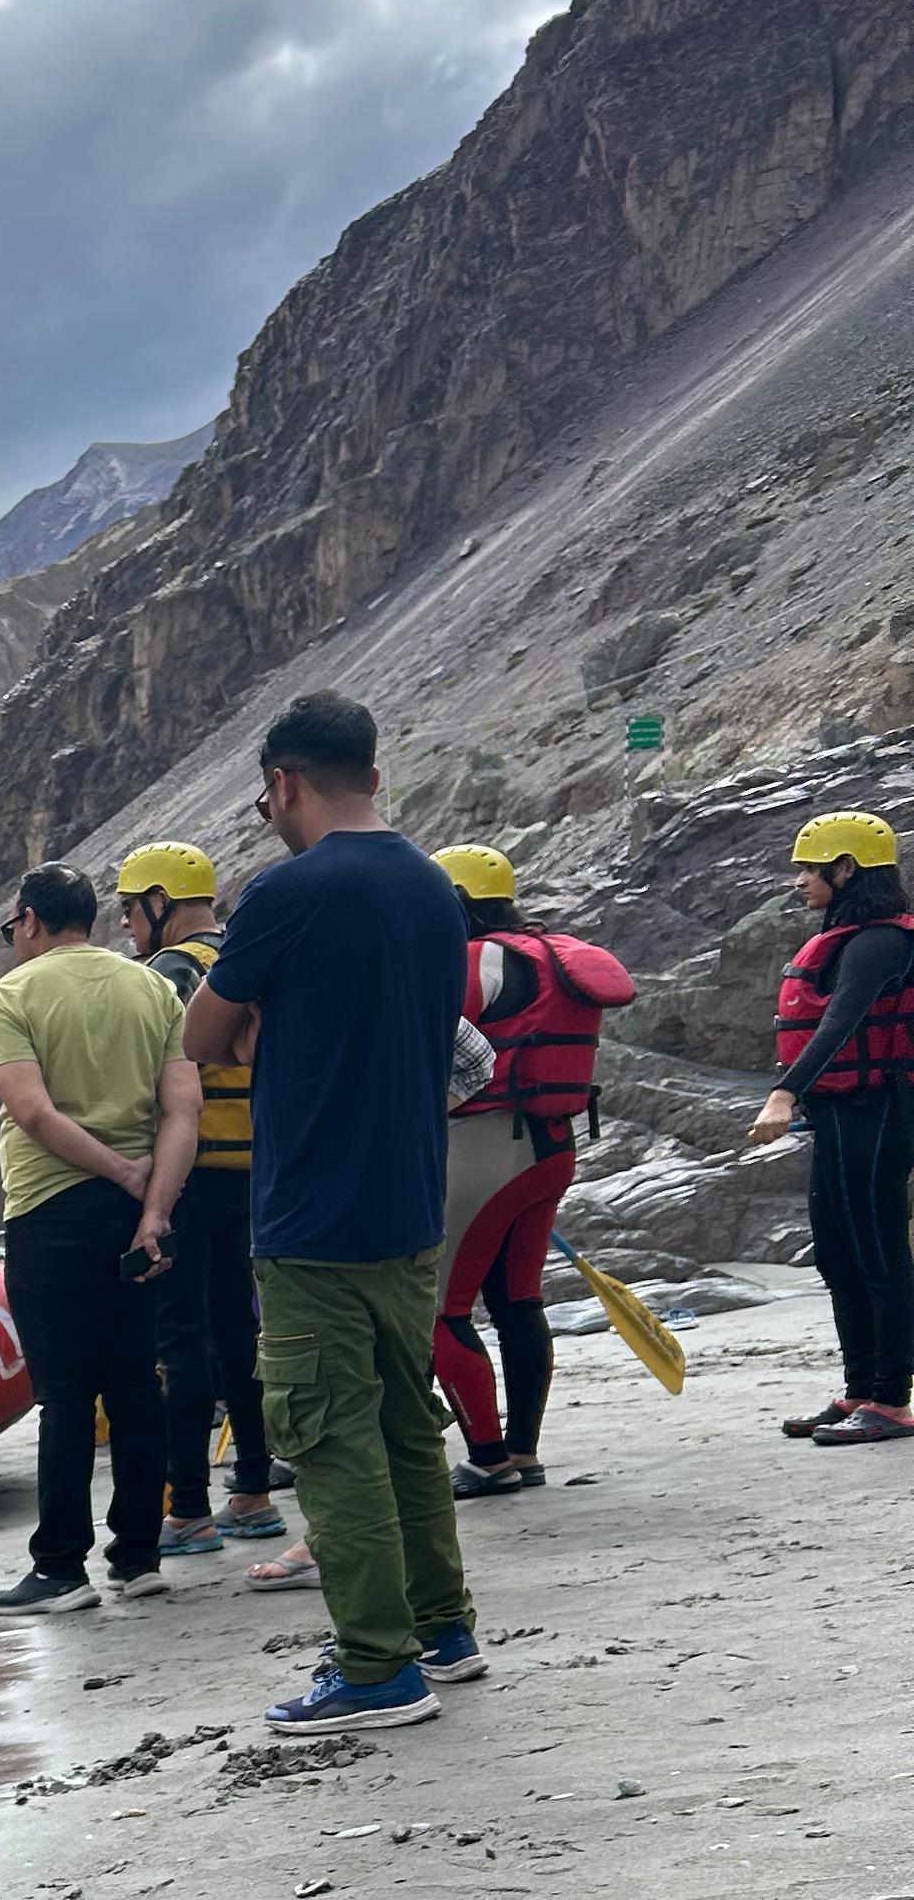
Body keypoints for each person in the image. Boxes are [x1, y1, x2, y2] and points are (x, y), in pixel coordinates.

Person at [181, 692, 480, 1731]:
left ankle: (373, 1668)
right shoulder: (435, 888)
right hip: (409, 1201)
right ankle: (443, 1628)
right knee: (404, 1423)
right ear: (377, 776)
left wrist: (257, 1014)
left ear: (283, 785)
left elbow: (198, 1036)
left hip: (311, 1209)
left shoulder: (283, 894)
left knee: (327, 1435)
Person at [0, 865, 199, 1614]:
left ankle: (60, 1567)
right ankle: (138, 1556)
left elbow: (33, 1114)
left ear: (30, 920)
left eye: (13, 928)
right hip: (142, 1216)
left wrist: (120, 1174)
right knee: (137, 1380)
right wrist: (154, 1204)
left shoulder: (13, 995)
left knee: (66, 1391)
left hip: (50, 1210)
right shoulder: (152, 988)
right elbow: (183, 1113)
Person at [429, 846, 636, 1496]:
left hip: (486, 1148)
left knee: (437, 1310)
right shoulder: (541, 954)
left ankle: (488, 1459)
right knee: (517, 1299)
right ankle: (522, 1451)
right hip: (551, 1145)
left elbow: (431, 1048)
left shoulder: (471, 959)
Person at [114, 842, 283, 1554]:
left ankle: (187, 1507)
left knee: (181, 1338)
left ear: (160, 901)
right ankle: (252, 1492)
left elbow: (148, 1082)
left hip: (190, 1175)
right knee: (239, 1332)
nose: (127, 926)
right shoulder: (246, 959)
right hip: (258, 1172)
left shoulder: (168, 973)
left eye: (129, 910)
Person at [748, 810, 914, 1445]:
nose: (800, 880)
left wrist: (785, 1092)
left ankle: (893, 1400)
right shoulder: (852, 935)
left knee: (879, 1255)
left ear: (848, 869)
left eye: (810, 868)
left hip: (877, 1108)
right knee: (839, 1257)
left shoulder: (882, 941)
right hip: (843, 1113)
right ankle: (861, 1390)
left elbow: (841, 1020)